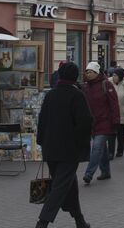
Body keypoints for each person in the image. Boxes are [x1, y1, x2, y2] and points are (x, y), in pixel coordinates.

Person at [35, 62, 93, 228]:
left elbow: (42, 121)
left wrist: (41, 142)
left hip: (51, 149)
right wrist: (80, 143)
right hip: (69, 151)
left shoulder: (51, 94)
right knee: (60, 187)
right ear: (76, 77)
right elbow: (85, 122)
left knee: (69, 185)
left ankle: (79, 220)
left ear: (60, 75)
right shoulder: (77, 95)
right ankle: (42, 222)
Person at [81, 61, 119, 185]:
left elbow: (114, 104)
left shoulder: (106, 84)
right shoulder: (86, 87)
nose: (88, 74)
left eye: (90, 72)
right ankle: (106, 171)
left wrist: (115, 122)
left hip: (104, 122)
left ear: (97, 73)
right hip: (92, 123)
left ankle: (88, 174)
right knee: (102, 149)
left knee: (96, 147)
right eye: (87, 72)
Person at [107, 68, 124, 159]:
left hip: (122, 113)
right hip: (111, 114)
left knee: (120, 134)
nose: (113, 77)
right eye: (113, 75)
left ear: (120, 77)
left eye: (116, 75)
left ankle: (120, 150)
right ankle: (110, 152)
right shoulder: (108, 84)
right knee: (111, 134)